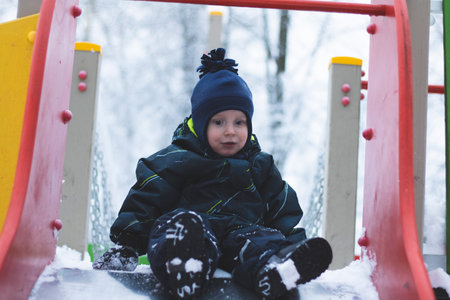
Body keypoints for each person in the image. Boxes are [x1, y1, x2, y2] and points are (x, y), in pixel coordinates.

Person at [93, 48, 332, 299]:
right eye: (219, 122)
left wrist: (292, 244)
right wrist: (128, 245)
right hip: (190, 230)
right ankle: (184, 265)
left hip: (240, 236)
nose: (230, 131)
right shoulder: (176, 159)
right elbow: (147, 198)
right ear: (200, 123)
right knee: (173, 227)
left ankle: (277, 269)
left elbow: (281, 206)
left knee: (262, 240)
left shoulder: (259, 165)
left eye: (239, 122)